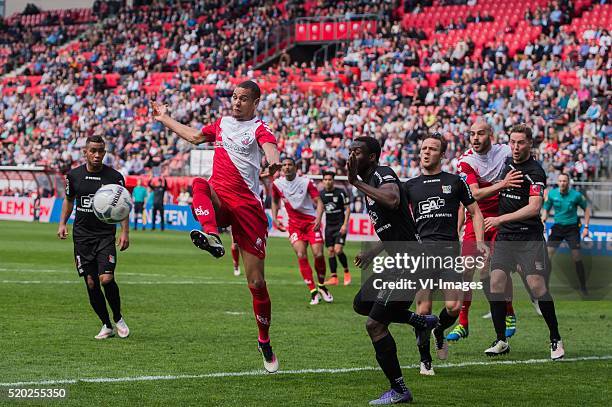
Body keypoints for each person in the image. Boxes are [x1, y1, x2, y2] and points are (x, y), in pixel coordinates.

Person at [151, 80, 281, 373]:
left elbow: (271, 150)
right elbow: (196, 137)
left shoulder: (259, 129)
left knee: (257, 283)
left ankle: (264, 340)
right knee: (199, 183)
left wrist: (273, 164)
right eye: (234, 97)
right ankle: (212, 235)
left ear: (255, 103)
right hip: (220, 199)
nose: (237, 102)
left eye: (243, 99)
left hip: (248, 209)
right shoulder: (222, 124)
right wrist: (164, 118)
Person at [349, 136, 438, 405]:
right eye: (351, 150)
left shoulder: (382, 174)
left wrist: (356, 182)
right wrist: (372, 252)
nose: (352, 155)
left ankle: (399, 390)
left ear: (372, 157)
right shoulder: (370, 183)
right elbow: (393, 229)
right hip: (398, 260)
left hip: (411, 263)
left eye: (358, 151)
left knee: (375, 325)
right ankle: (420, 321)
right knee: (361, 303)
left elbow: (392, 199)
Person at [403, 133, 488, 375]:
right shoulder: (409, 186)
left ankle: (439, 330)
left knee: (453, 306)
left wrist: (480, 242)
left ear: (443, 154)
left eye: (432, 149)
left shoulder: (455, 181)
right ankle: (425, 359)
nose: (426, 152)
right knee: (423, 310)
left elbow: (476, 212)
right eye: (423, 148)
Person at [484, 124, 564, 360]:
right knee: (496, 283)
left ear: (530, 143)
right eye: (512, 142)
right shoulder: (505, 165)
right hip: (506, 237)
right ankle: (501, 340)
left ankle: (555, 338)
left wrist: (500, 219)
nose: (516, 147)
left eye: (520, 142)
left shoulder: (535, 171)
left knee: (538, 287)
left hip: (528, 238)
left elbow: (534, 207)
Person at [447, 119, 523, 342]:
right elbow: (475, 195)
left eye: (480, 133)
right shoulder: (465, 161)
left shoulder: (506, 152)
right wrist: (504, 184)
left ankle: (509, 312)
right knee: (466, 271)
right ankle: (463, 323)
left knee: (493, 272)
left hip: (500, 219)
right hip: (476, 219)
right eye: (472, 134)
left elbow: (526, 157)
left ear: (491, 134)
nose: (475, 138)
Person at [57, 135, 130, 340]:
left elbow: (123, 206)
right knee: (90, 282)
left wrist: (125, 232)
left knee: (106, 279)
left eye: (100, 151)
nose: (97, 155)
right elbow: (69, 201)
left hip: (105, 236)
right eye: (93, 151)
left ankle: (118, 317)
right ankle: (106, 325)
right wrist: (63, 223)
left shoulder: (114, 177)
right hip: (82, 237)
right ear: (85, 152)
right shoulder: (74, 176)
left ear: (105, 153)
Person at [271, 158, 333, 305]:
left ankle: (322, 285)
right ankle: (313, 291)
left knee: (318, 254)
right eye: (284, 165)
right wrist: (274, 218)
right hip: (294, 225)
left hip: (311, 223)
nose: (286, 167)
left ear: (295, 167)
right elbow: (274, 201)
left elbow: (319, 202)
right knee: (301, 253)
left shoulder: (305, 182)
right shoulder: (277, 184)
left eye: (289, 165)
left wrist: (318, 218)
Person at [542, 173, 591, 295]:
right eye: (560, 181)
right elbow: (546, 209)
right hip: (557, 228)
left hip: (572, 228)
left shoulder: (576, 195)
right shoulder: (552, 194)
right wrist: (543, 220)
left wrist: (586, 227)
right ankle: (545, 288)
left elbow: (587, 209)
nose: (562, 183)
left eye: (565, 181)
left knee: (576, 257)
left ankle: (583, 287)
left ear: (568, 183)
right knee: (547, 256)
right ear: (557, 182)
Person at [319, 171, 352, 286]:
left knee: (338, 250)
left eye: (330, 179)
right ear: (323, 181)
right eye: (326, 179)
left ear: (333, 180)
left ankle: (346, 272)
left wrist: (345, 224)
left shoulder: (341, 193)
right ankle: (334, 277)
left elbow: (347, 209)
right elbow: (320, 210)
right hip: (329, 227)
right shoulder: (321, 195)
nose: (328, 181)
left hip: (339, 225)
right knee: (330, 251)